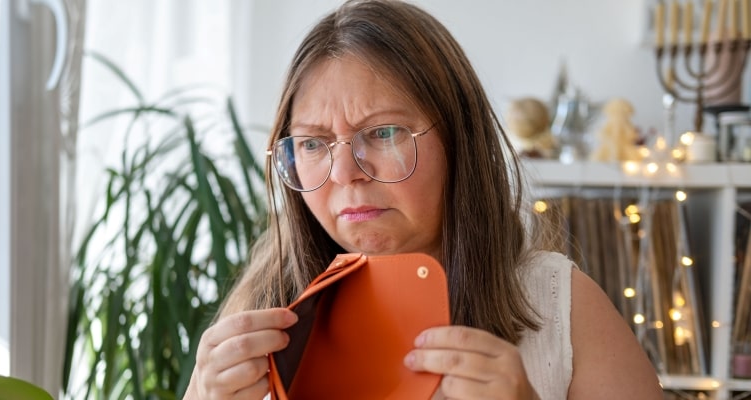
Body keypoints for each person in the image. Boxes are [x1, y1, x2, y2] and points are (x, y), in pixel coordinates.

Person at [184, 1, 663, 399]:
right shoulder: (260, 310)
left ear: (460, 141)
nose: (346, 173)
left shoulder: (560, 305)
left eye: (384, 132)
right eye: (312, 143)